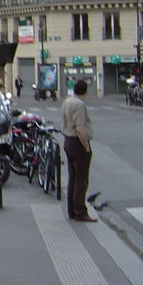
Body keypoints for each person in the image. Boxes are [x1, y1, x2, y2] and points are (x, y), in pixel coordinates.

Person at [61, 78, 95, 222]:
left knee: (73, 178)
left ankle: (72, 210)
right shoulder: (79, 104)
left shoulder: (67, 101)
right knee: (81, 179)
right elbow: (80, 127)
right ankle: (80, 211)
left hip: (68, 141)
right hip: (77, 142)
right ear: (85, 91)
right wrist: (86, 146)